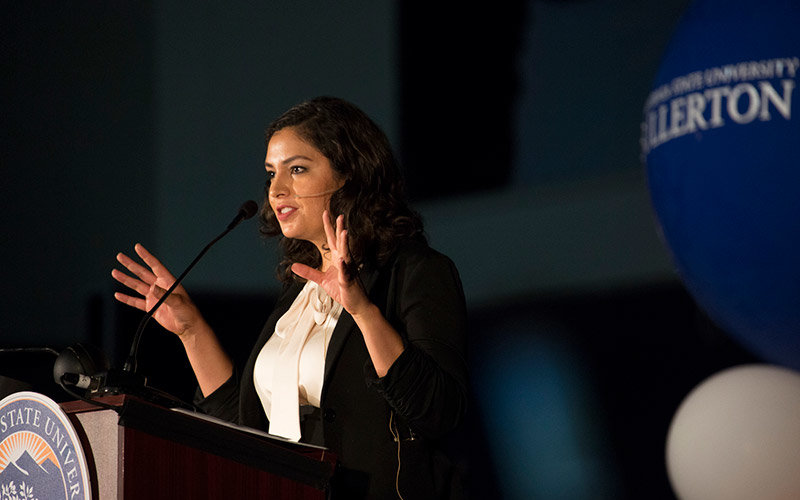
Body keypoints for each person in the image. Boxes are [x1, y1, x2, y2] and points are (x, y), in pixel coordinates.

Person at [112, 96, 468, 499]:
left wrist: (363, 312)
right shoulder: (298, 294)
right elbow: (247, 429)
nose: (276, 190)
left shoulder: (416, 271)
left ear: (350, 174)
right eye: (271, 174)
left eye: (297, 169)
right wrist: (191, 331)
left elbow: (438, 411)